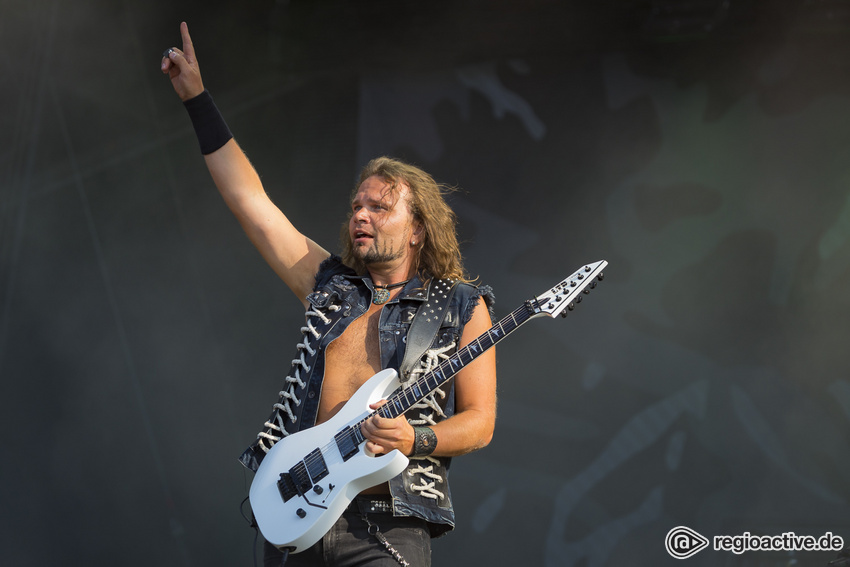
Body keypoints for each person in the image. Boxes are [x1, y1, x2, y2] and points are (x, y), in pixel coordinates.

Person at [161, 22, 497, 567]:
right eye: (356, 206)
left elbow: (479, 422)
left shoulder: (460, 305)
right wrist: (197, 99)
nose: (361, 214)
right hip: (297, 516)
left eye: (380, 207)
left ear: (417, 228)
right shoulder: (331, 285)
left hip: (387, 526)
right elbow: (250, 201)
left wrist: (414, 439)